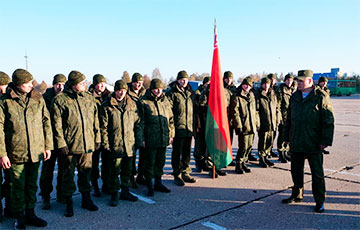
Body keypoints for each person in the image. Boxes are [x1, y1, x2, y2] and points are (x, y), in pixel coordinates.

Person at [0, 69, 53, 229]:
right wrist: (2, 154)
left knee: (31, 184)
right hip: (16, 152)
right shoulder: (5, 101)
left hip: (36, 150)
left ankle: (31, 213)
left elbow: (46, 121)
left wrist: (47, 146)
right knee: (17, 185)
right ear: (18, 84)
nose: (32, 85)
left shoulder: (37, 98)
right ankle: (20, 216)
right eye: (28, 83)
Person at [282, 70, 334, 213]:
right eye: (297, 81)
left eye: (301, 81)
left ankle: (319, 201)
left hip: (314, 142)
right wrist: (285, 137)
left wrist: (325, 140)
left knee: (317, 174)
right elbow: (289, 119)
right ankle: (297, 194)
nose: (297, 83)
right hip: (297, 140)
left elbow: (328, 120)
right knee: (296, 171)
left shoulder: (320, 97)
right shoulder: (294, 97)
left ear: (310, 81)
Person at [51, 70, 101, 217]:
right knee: (68, 175)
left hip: (87, 144)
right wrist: (61, 144)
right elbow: (56, 125)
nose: (85, 85)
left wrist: (97, 138)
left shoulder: (89, 98)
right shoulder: (60, 100)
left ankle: (86, 199)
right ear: (73, 85)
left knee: (86, 173)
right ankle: (68, 202)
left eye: (85, 82)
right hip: (70, 146)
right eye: (81, 83)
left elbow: (95, 120)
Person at [99, 80, 143, 206]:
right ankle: (114, 193)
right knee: (114, 171)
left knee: (127, 170)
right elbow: (103, 127)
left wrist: (138, 140)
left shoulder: (132, 105)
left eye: (123, 91)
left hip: (129, 144)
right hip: (115, 145)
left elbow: (138, 123)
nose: (121, 93)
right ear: (115, 91)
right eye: (119, 90)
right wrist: (105, 144)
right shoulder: (107, 106)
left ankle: (125, 191)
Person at [141, 79, 174, 196]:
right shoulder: (144, 102)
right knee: (150, 163)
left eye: (160, 88)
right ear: (151, 89)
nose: (158, 91)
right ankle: (149, 185)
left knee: (160, 161)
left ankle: (158, 183)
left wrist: (171, 134)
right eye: (156, 89)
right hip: (150, 139)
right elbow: (140, 122)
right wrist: (142, 139)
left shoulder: (165, 101)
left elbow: (170, 119)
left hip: (163, 138)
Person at [39, 74, 67, 210]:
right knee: (47, 171)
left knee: (63, 169)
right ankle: (45, 196)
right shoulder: (44, 99)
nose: (60, 87)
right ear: (53, 85)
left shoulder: (67, 98)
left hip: (62, 140)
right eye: (58, 84)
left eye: (63, 84)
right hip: (48, 141)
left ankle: (61, 194)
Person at [166, 71, 196, 186]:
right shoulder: (172, 93)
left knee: (187, 152)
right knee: (177, 152)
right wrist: (171, 130)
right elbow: (169, 113)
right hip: (178, 128)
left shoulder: (190, 93)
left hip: (188, 128)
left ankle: (185, 172)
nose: (184, 82)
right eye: (182, 79)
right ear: (178, 80)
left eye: (186, 80)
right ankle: (177, 174)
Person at [88, 74, 111, 197]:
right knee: (94, 162)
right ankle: (95, 185)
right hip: (94, 134)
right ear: (94, 84)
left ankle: (106, 184)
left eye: (103, 83)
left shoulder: (109, 96)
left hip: (106, 134)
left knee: (107, 162)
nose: (102, 85)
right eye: (99, 83)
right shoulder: (88, 97)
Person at [230, 77, 259, 174]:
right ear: (242, 85)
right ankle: (239, 163)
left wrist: (257, 122)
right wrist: (239, 126)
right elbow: (235, 113)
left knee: (249, 146)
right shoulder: (237, 96)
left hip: (252, 124)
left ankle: (244, 162)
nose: (247, 87)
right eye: (245, 85)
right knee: (243, 146)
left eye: (249, 85)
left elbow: (255, 111)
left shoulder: (251, 95)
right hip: (244, 125)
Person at [127, 73, 146, 187]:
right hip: (131, 128)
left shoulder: (145, 93)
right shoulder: (127, 94)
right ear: (132, 82)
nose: (138, 85)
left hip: (143, 127)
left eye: (140, 83)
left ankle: (141, 175)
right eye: (136, 82)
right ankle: (130, 177)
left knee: (143, 154)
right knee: (131, 155)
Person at [256, 77, 280, 168]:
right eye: (264, 84)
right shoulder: (259, 94)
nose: (266, 86)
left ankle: (266, 156)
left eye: (268, 84)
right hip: (263, 122)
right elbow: (257, 110)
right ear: (262, 85)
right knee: (263, 141)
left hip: (273, 122)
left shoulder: (273, 94)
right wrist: (258, 122)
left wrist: (278, 118)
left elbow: (277, 107)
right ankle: (261, 157)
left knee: (270, 141)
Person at [193, 77, 212, 172]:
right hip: (200, 121)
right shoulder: (198, 92)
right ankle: (198, 163)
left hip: (208, 122)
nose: (209, 84)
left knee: (207, 144)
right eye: (208, 83)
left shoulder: (211, 92)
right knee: (199, 145)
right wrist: (210, 108)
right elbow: (198, 107)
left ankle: (206, 163)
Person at [0, 71, 11, 222]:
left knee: (11, 181)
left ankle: (10, 207)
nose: (2, 91)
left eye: (5, 87)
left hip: (10, 147)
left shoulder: (9, 100)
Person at [276, 73, 294, 163]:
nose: (289, 82)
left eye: (291, 80)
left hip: (291, 117)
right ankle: (281, 152)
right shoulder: (280, 90)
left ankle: (286, 151)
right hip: (283, 117)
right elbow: (278, 106)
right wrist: (280, 118)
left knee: (288, 135)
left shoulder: (293, 90)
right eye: (288, 80)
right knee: (282, 135)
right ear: (285, 80)